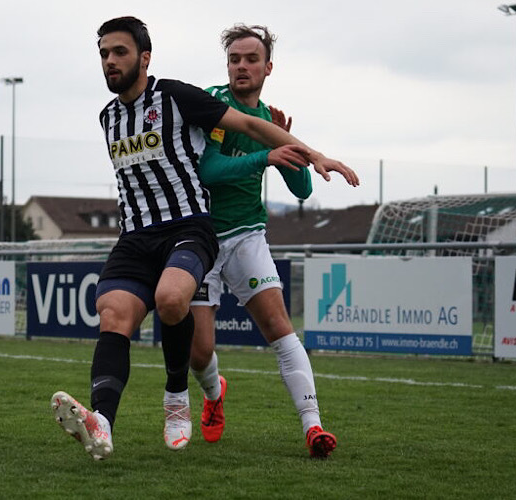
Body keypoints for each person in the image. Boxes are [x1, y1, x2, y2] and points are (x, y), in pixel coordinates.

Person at [51, 16, 358, 461]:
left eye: (119, 52)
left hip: (207, 230)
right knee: (122, 316)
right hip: (145, 235)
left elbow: (279, 161)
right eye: (104, 54)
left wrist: (310, 154)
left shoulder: (187, 100)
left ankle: (285, 420)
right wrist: (269, 156)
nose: (110, 61)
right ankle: (105, 422)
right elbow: (210, 164)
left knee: (193, 305)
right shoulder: (123, 116)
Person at [188, 24, 350, 459]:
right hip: (201, 238)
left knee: (280, 328)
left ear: (268, 68)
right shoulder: (213, 105)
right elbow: (208, 171)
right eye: (235, 60)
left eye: (251, 59)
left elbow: (302, 191)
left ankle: (314, 427)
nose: (242, 66)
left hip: (246, 237)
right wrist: (267, 153)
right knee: (200, 351)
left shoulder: (269, 120)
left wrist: (287, 154)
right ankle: (213, 393)